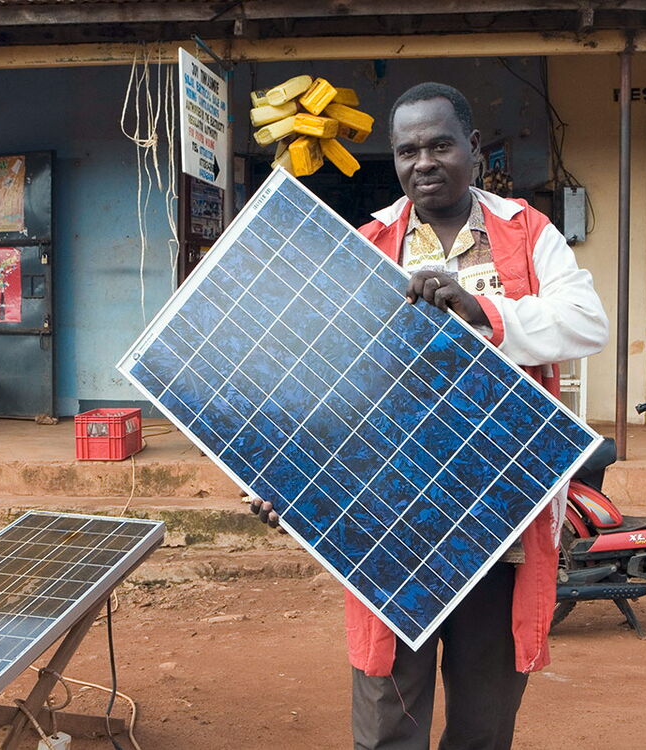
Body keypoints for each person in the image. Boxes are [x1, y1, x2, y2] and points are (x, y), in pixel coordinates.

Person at [252, 81, 608, 749]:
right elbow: (329, 381)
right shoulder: (367, 245)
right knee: (389, 718)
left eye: (440, 145)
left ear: (472, 148)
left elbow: (588, 323)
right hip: (394, 524)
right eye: (407, 150)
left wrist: (485, 313)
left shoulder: (526, 234)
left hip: (498, 521)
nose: (424, 162)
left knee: (482, 720)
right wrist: (290, 476)